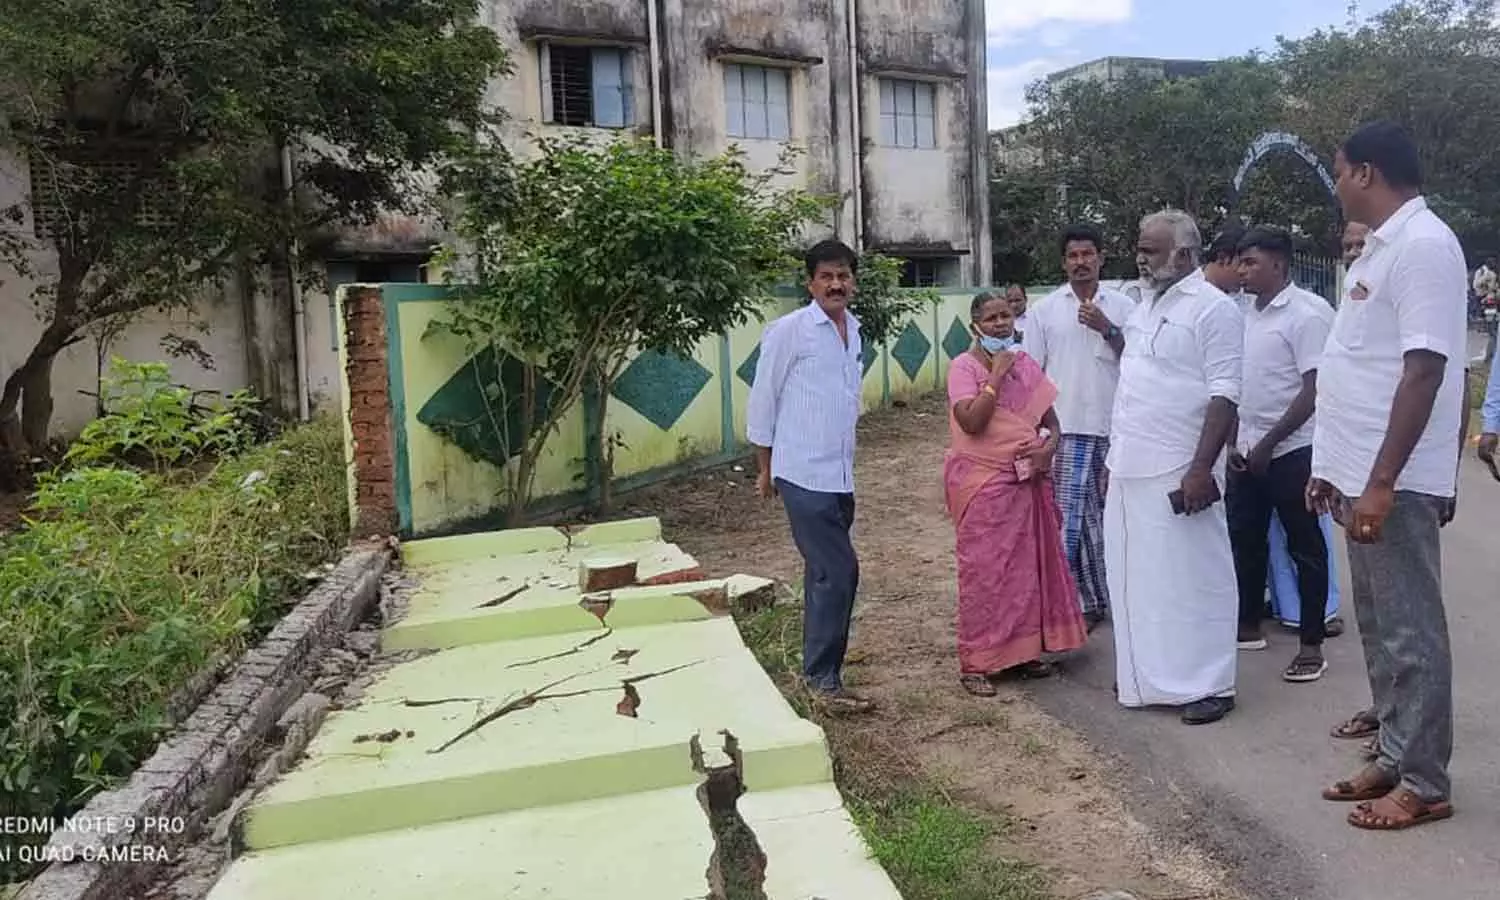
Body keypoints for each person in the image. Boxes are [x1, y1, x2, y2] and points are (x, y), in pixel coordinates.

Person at [1310, 121, 1466, 830]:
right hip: (1356, 473)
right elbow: (1355, 366)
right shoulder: (1380, 250)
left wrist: (1379, 481)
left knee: (1412, 631)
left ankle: (1426, 780)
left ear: (1366, 173)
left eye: (1339, 171)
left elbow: (1425, 368)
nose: (1336, 183)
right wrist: (1330, 469)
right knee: (1378, 627)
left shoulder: (1426, 247)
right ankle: (1396, 754)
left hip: (1393, 481)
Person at [1106, 209, 1243, 725]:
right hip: (1129, 463)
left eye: (1152, 248)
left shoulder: (1214, 310)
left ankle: (1211, 683)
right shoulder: (1142, 305)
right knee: (1139, 578)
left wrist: (1201, 468)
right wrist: (1112, 458)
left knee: (1195, 577)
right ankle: (1147, 677)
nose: (1141, 256)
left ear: (1185, 254)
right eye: (1140, 246)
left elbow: (1225, 394)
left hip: (1181, 467)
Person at [747, 239, 873, 715]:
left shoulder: (853, 331)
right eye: (826, 276)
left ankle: (821, 672)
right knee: (838, 572)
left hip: (839, 474)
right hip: (801, 472)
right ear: (811, 283)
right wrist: (765, 468)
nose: (836, 284)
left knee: (825, 572)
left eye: (843, 276)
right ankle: (822, 680)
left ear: (852, 281)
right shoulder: (789, 332)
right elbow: (764, 399)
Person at [945, 291, 1087, 695]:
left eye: (1005, 316)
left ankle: (1022, 654)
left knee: (1025, 571)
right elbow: (971, 423)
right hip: (983, 483)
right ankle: (978, 663)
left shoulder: (1026, 365)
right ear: (975, 324)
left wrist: (1047, 450)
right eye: (990, 318)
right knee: (985, 573)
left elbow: (1054, 425)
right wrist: (995, 377)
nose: (1000, 324)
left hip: (1027, 482)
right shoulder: (963, 367)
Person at [1225, 226, 1335, 683]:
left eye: (1251, 262)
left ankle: (1311, 644)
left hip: (1293, 449)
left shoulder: (1308, 314)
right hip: (1246, 449)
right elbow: (1233, 381)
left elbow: (1315, 389)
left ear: (1279, 265)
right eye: (1240, 262)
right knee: (1243, 540)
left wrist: (1270, 443)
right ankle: (1247, 624)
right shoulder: (1242, 312)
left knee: (1304, 545)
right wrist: (1235, 441)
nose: (1242, 271)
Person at [1022, 224, 1133, 629]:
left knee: (1110, 522)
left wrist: (1107, 328)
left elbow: (1139, 363)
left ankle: (1110, 600)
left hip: (1115, 429)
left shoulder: (1123, 307)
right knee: (1068, 523)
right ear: (1064, 262)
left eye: (1088, 254)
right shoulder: (1045, 311)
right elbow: (1031, 376)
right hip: (1066, 430)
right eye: (1073, 256)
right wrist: (1038, 435)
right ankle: (1071, 607)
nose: (1081, 262)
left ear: (1101, 258)